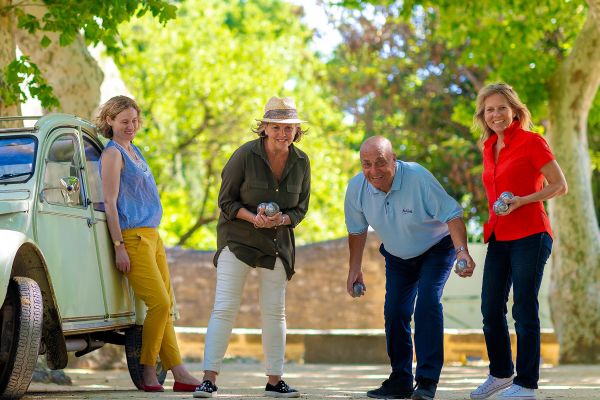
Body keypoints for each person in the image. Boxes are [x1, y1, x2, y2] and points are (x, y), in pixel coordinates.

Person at [193, 97, 310, 399]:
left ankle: (275, 382)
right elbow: (226, 201)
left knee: (275, 313)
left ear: (297, 130)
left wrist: (282, 218)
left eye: (289, 128)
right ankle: (208, 379)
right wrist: (252, 219)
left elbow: (300, 209)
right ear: (264, 128)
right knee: (225, 308)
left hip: (276, 244)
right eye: (276, 127)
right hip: (239, 241)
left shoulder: (302, 162)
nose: (283, 133)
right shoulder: (244, 155)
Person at [344, 136, 475, 400]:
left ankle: (426, 381)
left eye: (380, 163)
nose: (373, 171)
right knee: (395, 312)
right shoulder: (357, 187)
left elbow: (452, 213)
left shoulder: (417, 177)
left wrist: (462, 251)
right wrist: (354, 268)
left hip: (436, 249)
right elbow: (357, 230)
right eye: (366, 164)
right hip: (397, 256)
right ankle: (400, 380)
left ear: (394, 159)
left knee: (427, 303)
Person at [469, 83, 567, 400]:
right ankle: (500, 374)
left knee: (524, 307)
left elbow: (559, 185)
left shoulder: (531, 142)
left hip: (531, 233)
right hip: (498, 235)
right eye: (489, 110)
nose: (495, 114)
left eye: (500, 108)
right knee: (490, 307)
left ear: (513, 110)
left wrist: (523, 200)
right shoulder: (487, 148)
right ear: (483, 116)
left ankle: (526, 383)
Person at [98, 96, 201, 393]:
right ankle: (147, 368)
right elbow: (110, 203)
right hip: (132, 238)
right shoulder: (113, 154)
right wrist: (119, 245)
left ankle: (179, 371)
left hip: (153, 236)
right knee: (160, 303)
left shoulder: (135, 150)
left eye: (134, 120)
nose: (131, 126)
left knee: (167, 308)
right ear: (110, 122)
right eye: (124, 121)